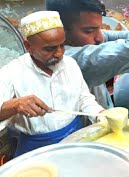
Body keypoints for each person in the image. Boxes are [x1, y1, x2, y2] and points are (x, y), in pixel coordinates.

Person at [0, 11, 105, 156]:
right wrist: (15, 105)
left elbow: (83, 99)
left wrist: (100, 115)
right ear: (28, 46)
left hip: (75, 138)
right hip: (36, 149)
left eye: (62, 45)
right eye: (49, 49)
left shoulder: (70, 64)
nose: (59, 53)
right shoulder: (12, 73)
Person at [46, 0, 129, 109]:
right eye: (89, 31)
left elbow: (109, 36)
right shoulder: (69, 61)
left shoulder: (75, 40)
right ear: (61, 31)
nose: (99, 37)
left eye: (98, 28)